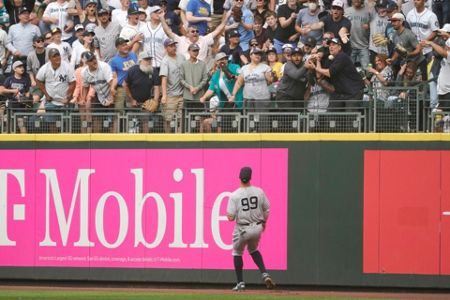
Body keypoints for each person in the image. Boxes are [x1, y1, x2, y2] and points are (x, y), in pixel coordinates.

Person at [226, 166, 275, 292]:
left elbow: (230, 218)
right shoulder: (259, 191)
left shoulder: (235, 195)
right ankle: (264, 273)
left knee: (237, 252)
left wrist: (234, 214)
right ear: (250, 178)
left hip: (243, 229)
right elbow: (267, 209)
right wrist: (264, 222)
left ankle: (240, 283)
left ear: (239, 177)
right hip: (257, 227)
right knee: (253, 249)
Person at [314, 37, 365, 110]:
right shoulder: (330, 59)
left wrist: (317, 68)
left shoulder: (342, 56)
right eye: (329, 45)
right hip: (340, 92)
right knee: (331, 114)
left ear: (339, 47)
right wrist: (318, 61)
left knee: (350, 116)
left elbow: (329, 73)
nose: (331, 47)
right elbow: (320, 75)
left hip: (354, 91)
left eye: (333, 44)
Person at [230, 47, 272, 132]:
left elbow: (270, 81)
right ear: (250, 55)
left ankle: (264, 140)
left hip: (262, 98)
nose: (258, 55)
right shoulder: (244, 68)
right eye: (256, 54)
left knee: (263, 121)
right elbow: (239, 83)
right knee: (249, 120)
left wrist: (270, 77)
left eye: (259, 54)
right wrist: (233, 95)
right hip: (248, 98)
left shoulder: (265, 67)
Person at [35, 48, 76, 132]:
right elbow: (38, 80)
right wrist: (46, 94)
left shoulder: (67, 66)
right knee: (52, 123)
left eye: (58, 55)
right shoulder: (45, 68)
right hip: (51, 101)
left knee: (66, 123)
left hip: (64, 101)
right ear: (50, 58)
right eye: (54, 56)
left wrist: (68, 97)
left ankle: (66, 142)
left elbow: (73, 83)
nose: (57, 58)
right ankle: (54, 143)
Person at [124, 51, 161, 133]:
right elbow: (125, 85)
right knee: (132, 125)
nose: (149, 61)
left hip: (146, 102)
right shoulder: (132, 70)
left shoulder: (153, 71)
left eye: (150, 59)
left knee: (145, 124)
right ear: (140, 60)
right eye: (146, 59)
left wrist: (155, 100)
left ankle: (145, 144)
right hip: (132, 101)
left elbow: (156, 87)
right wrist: (131, 99)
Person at [81, 51, 116, 132]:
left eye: (94, 58)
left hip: (112, 93)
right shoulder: (84, 72)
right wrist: (83, 99)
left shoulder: (104, 66)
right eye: (90, 60)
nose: (94, 61)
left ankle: (113, 141)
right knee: (97, 118)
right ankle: (96, 140)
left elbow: (111, 83)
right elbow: (85, 87)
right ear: (86, 63)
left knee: (113, 118)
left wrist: (111, 98)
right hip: (100, 96)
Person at [160, 38, 185, 133]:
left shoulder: (181, 56)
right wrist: (164, 96)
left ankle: (180, 139)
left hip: (182, 94)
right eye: (171, 46)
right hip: (171, 95)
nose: (174, 47)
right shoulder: (165, 61)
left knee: (181, 119)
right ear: (166, 48)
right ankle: (167, 139)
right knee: (168, 119)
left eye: (174, 45)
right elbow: (164, 79)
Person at [180, 43, 208, 113]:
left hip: (199, 97)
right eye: (194, 50)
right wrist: (190, 87)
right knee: (187, 119)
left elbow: (205, 79)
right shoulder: (183, 64)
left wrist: (197, 88)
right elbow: (181, 79)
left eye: (197, 51)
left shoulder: (203, 64)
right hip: (187, 96)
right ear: (189, 51)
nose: (196, 52)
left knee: (199, 119)